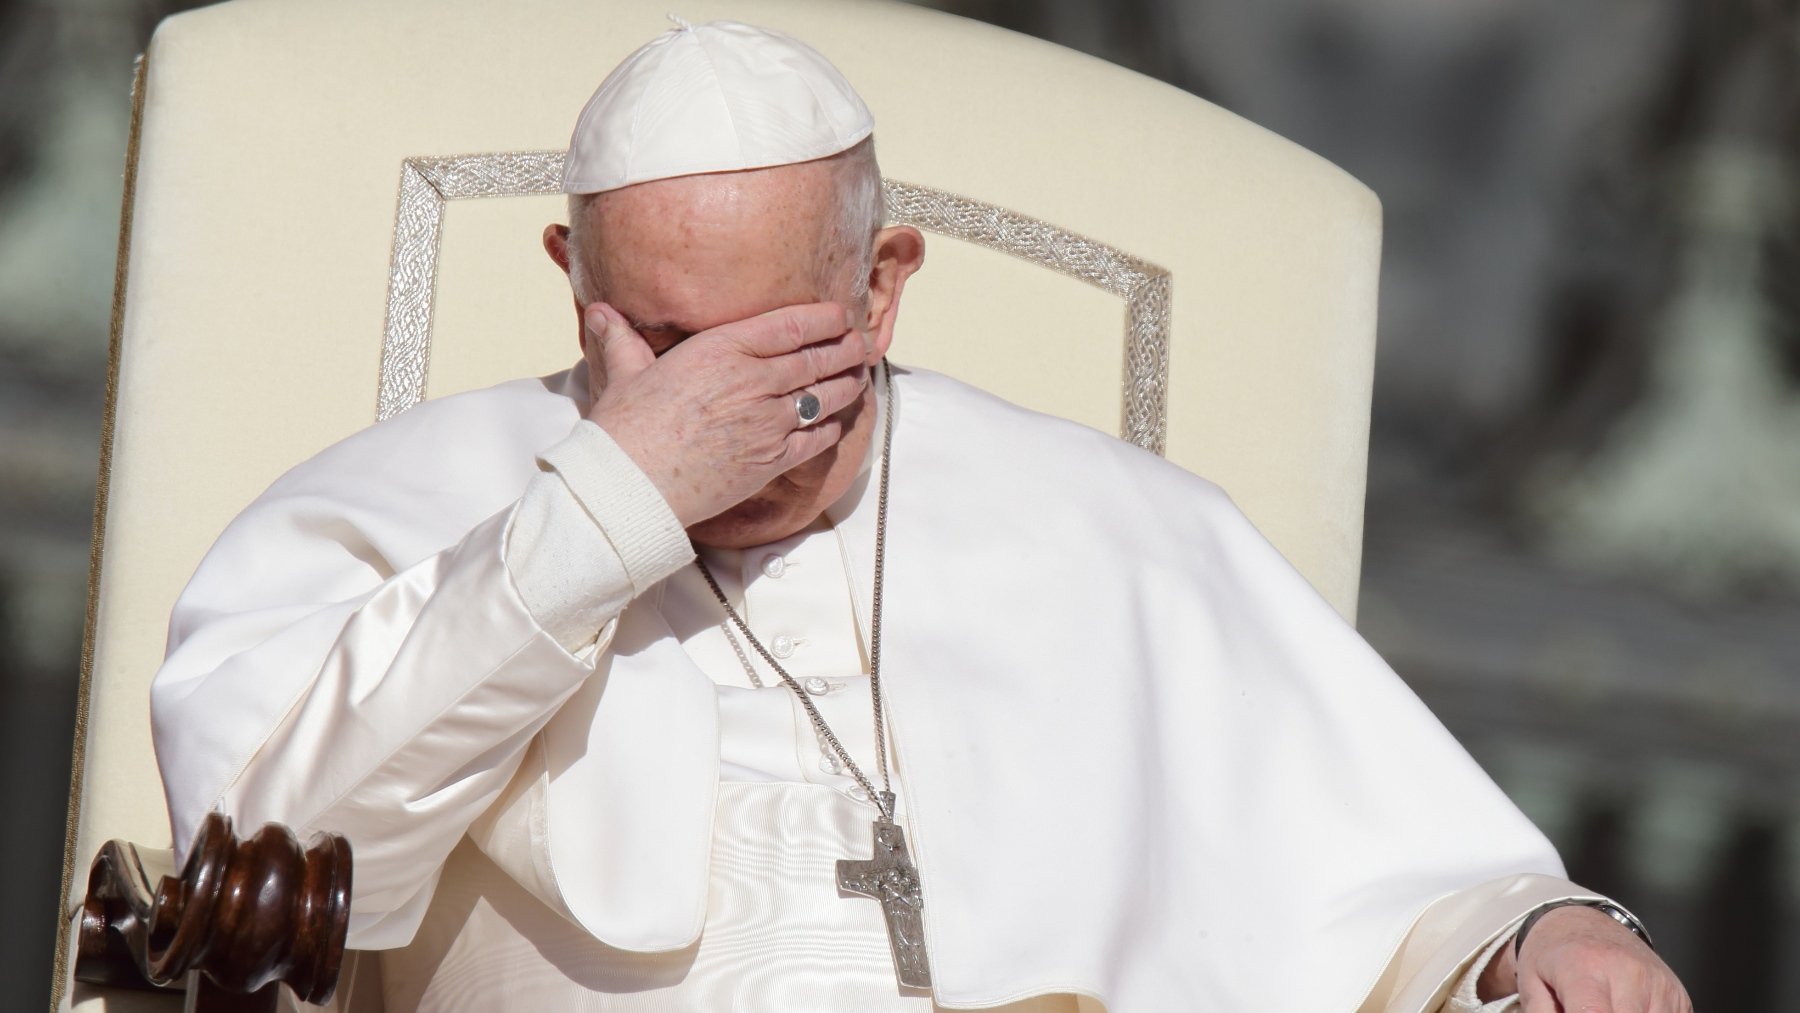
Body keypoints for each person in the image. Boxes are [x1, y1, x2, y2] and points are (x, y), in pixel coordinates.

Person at [150, 18, 1690, 1013]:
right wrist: (604, 509)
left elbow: (1405, 885)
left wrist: (1540, 940)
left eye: (787, 348)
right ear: (571, 278)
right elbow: (265, 865)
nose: (734, 417)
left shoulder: (1116, 529)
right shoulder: (408, 507)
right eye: (674, 350)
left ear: (882, 287)